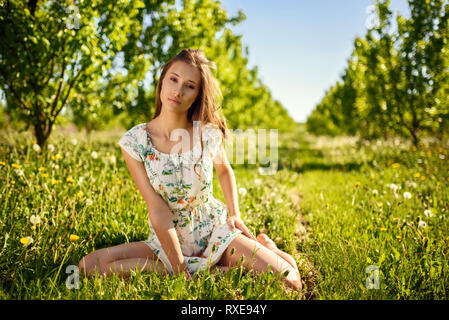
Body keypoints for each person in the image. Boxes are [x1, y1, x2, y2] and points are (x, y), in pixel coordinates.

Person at [77, 49, 302, 291]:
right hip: (168, 240)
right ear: (162, 80)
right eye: (173, 79)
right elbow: (157, 208)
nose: (178, 91)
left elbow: (224, 170)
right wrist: (179, 268)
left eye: (189, 86)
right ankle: (200, 271)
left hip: (215, 233)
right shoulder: (136, 141)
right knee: (89, 265)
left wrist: (234, 214)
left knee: (290, 282)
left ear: (197, 95)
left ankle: (268, 251)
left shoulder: (206, 132)